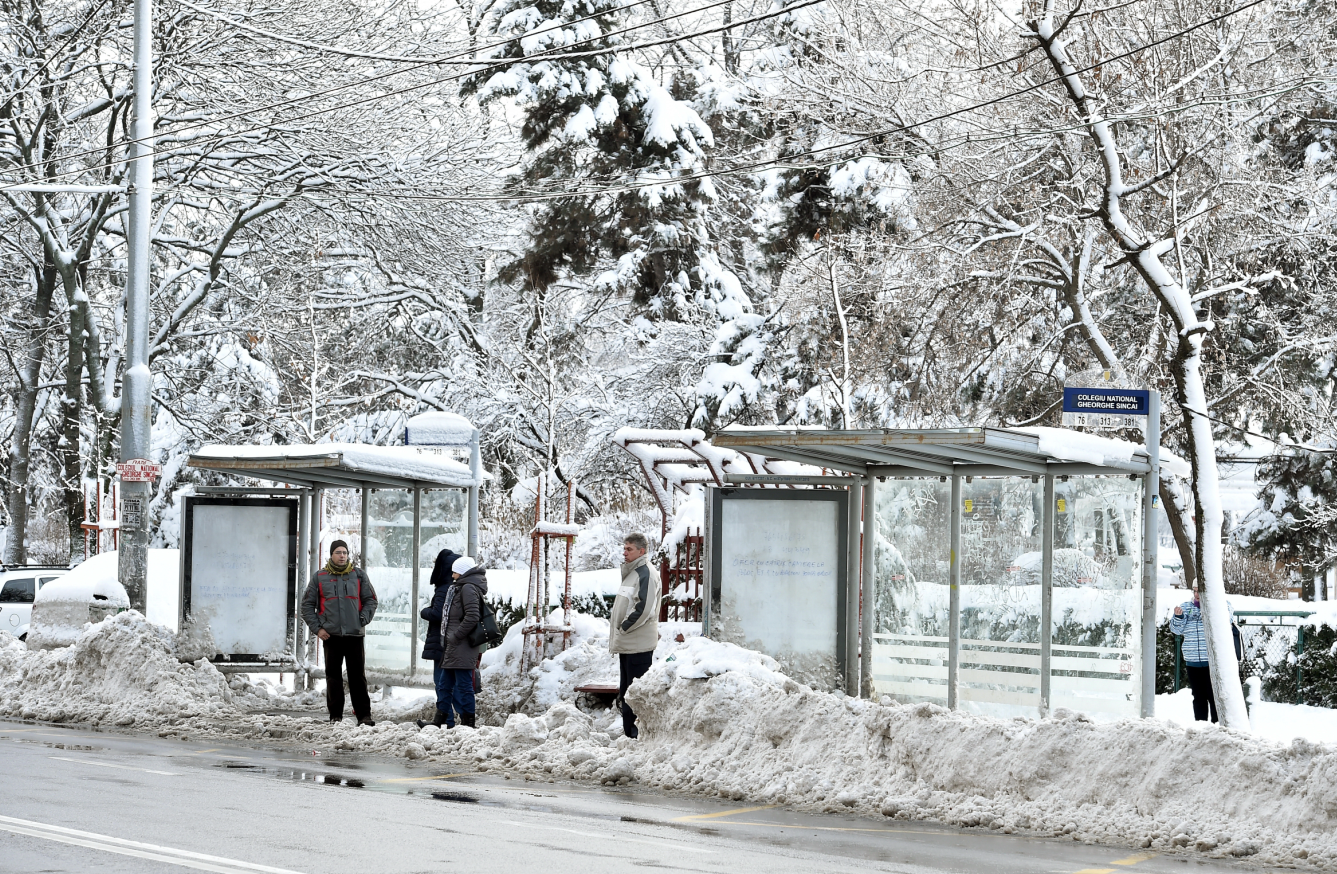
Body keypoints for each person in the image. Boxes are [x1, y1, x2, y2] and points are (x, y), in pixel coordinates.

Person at [301, 540, 378, 726]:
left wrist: (362, 620)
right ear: (331, 555)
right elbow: (306, 606)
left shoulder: (359, 576)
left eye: (344, 552)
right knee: (333, 677)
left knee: (357, 676)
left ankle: (364, 716)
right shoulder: (319, 577)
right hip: (331, 636)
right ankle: (335, 715)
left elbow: (371, 600)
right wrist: (318, 629)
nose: (342, 555)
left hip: (354, 635)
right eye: (338, 552)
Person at [609, 532, 660, 739]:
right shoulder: (632, 572)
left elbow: (644, 608)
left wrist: (623, 627)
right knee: (626, 690)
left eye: (629, 549)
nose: (625, 552)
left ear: (642, 550)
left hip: (637, 643)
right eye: (624, 548)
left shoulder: (645, 573)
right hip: (629, 643)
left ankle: (636, 733)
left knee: (635, 692)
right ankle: (629, 732)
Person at [1169, 586, 1233, 723]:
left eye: (1200, 591)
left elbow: (1228, 621)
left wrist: (1213, 606)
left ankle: (1217, 725)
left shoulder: (1221, 605)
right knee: (1199, 696)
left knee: (1214, 695)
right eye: (1195, 591)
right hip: (1193, 661)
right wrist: (1178, 617)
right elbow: (1176, 630)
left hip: (1212, 661)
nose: (1197, 594)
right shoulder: (1186, 607)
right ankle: (1201, 726)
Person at [439, 555, 488, 728]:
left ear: (463, 573)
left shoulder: (467, 588)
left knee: (464, 685)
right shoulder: (462, 587)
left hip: (463, 645)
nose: (452, 576)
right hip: (455, 646)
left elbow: (473, 616)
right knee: (444, 684)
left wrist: (455, 636)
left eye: (455, 573)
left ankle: (468, 723)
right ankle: (440, 720)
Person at [416, 549, 461, 730]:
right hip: (448, 642)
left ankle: (449, 720)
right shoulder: (457, 587)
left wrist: (424, 611)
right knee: (448, 683)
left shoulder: (444, 588)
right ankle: (451, 720)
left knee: (442, 683)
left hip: (441, 642)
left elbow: (438, 613)